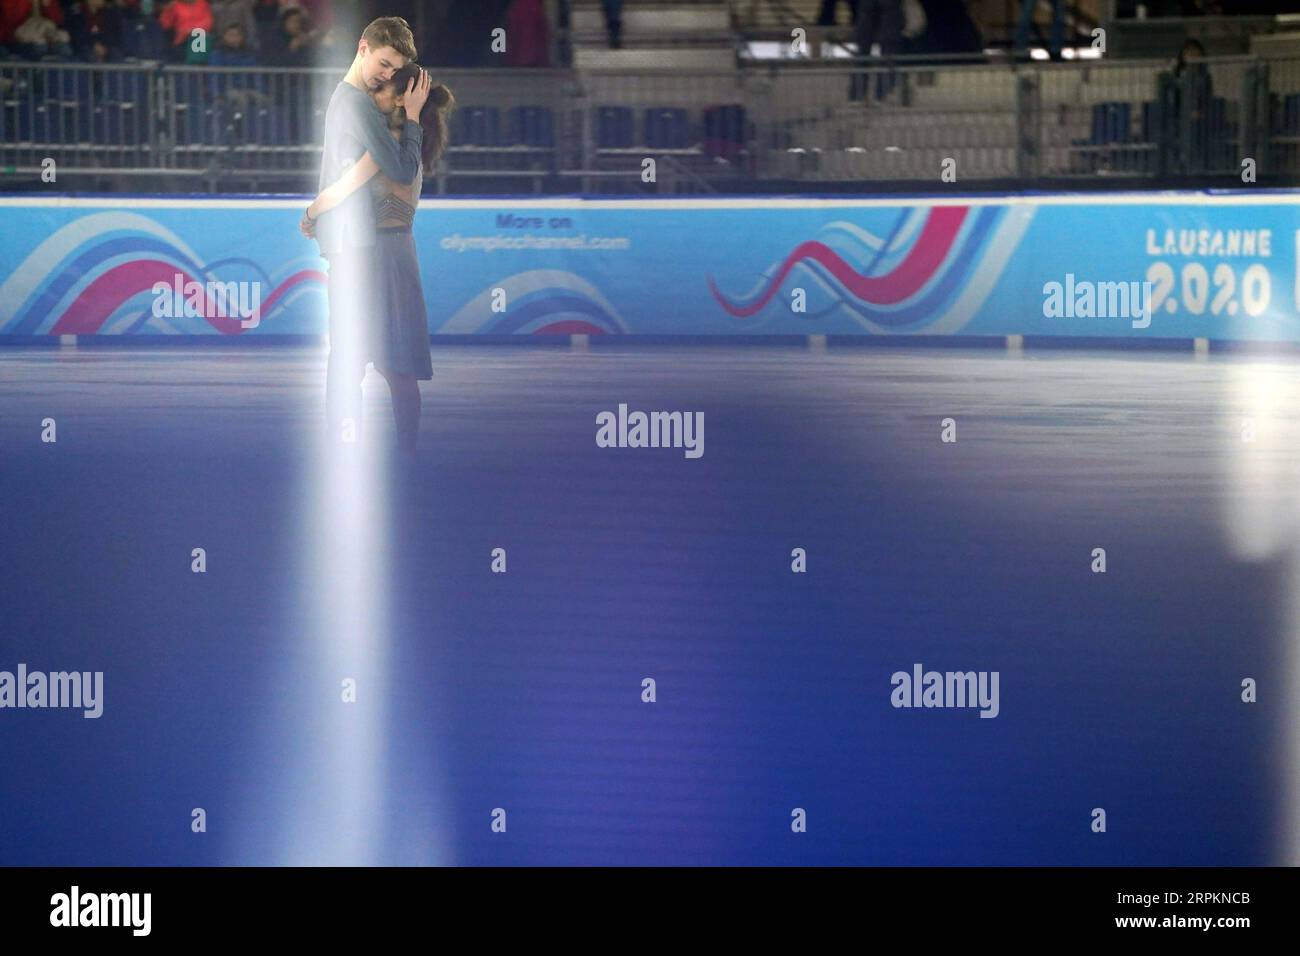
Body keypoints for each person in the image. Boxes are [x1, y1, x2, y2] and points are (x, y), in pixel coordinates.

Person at [302, 64, 454, 455]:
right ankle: (407, 452)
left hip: (371, 257)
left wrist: (311, 213)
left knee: (352, 364)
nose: (374, 95)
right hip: (395, 255)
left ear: (402, 99)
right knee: (396, 367)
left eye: (383, 89)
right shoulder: (408, 142)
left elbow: (340, 189)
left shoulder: (390, 143)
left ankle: (343, 450)